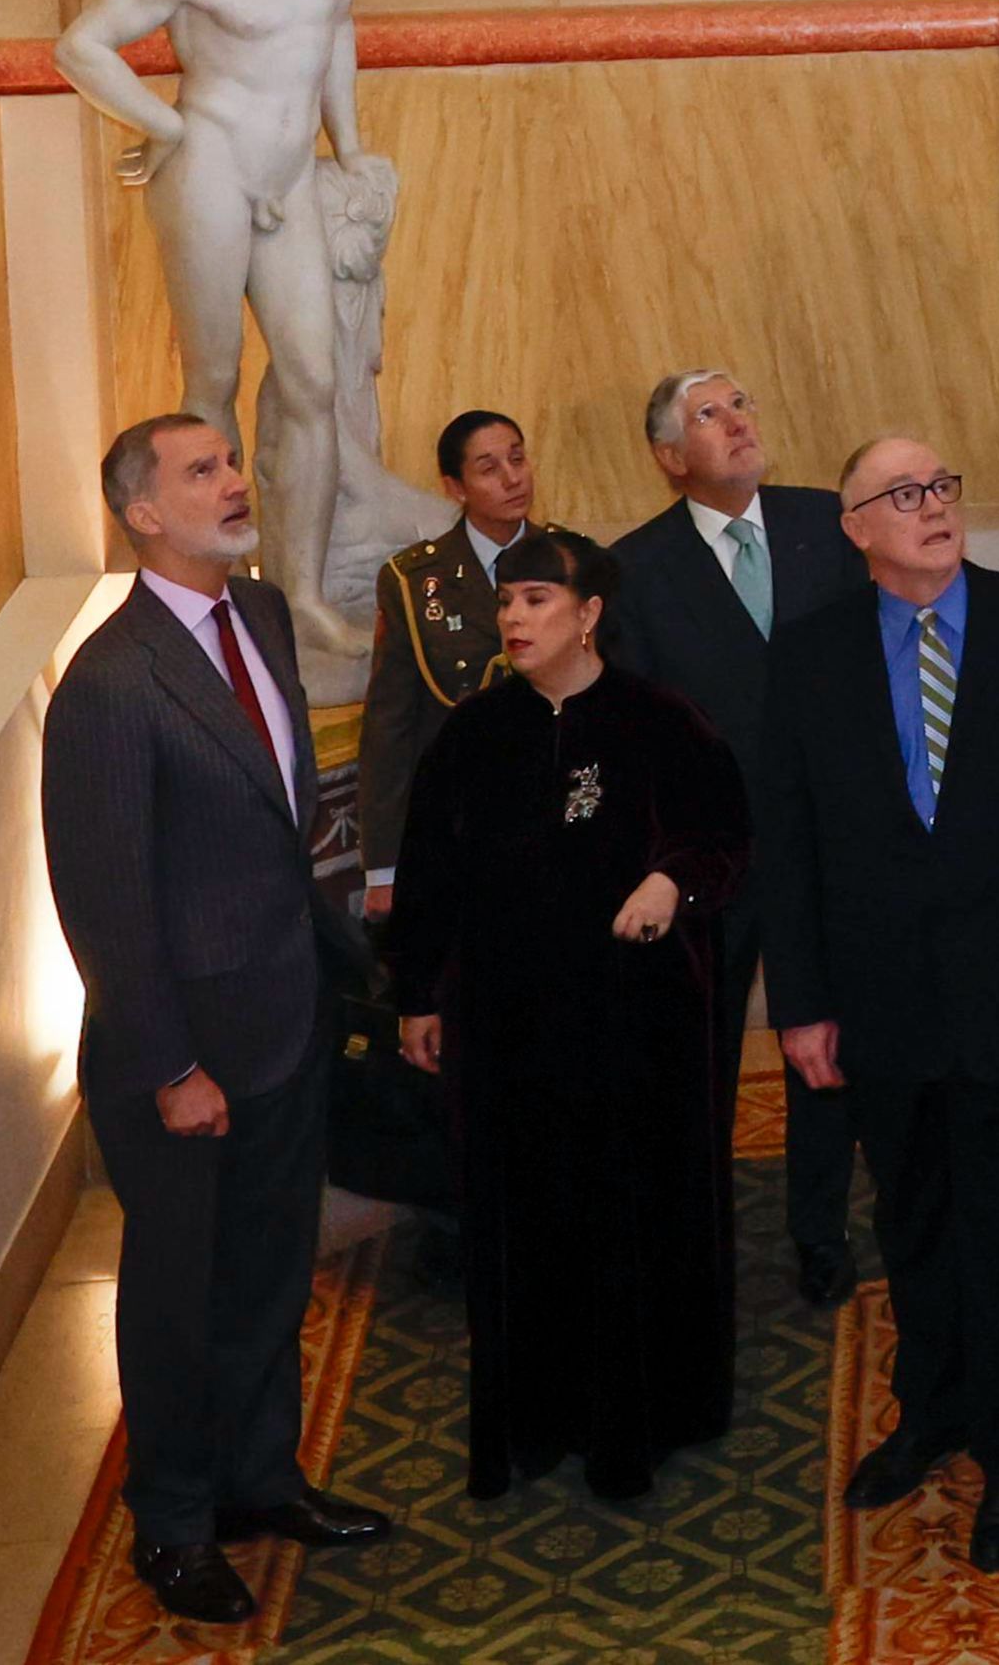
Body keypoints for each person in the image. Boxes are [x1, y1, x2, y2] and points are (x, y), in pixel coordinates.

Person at [748, 436, 999, 1566]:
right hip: (874, 999)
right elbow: (787, 839)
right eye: (902, 493)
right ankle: (931, 1410)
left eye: (940, 485)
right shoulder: (811, 653)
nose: (931, 505)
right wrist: (803, 1002)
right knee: (910, 1211)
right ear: (856, 528)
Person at [40, 415, 400, 1627]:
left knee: (268, 1268)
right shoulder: (109, 682)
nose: (235, 479)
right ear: (141, 512)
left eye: (233, 459)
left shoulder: (263, 618)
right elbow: (102, 896)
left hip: (286, 1020)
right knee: (179, 1296)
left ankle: (260, 1477)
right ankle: (177, 1520)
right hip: (183, 1058)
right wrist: (168, 1062)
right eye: (201, 470)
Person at [390, 539, 748, 1501]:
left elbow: (723, 838)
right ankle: (533, 1418)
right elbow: (427, 878)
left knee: (634, 1211)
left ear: (588, 614)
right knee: (524, 1218)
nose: (514, 619)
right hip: (508, 1031)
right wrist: (417, 995)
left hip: (638, 1025)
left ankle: (647, 1413)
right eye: (507, 601)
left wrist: (672, 879)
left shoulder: (661, 724)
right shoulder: (470, 738)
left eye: (537, 599)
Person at [52, 0, 379, 690]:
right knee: (214, 383)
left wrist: (345, 145)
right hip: (211, 172)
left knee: (313, 376)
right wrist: (166, 130)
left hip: (286, 175)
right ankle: (219, 587)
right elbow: (80, 45)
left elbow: (335, 27)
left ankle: (301, 591)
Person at [605, 368, 870, 1301]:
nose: (737, 422)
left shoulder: (826, 522)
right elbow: (631, 728)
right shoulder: (633, 568)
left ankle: (819, 1231)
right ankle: (694, 1244)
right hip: (711, 858)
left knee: (822, 1049)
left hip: (829, 846)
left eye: (742, 403)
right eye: (709, 415)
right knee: (702, 1058)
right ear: (671, 458)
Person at [358, 408, 601, 909]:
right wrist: (382, 868)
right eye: (490, 468)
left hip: (563, 812)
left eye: (518, 458)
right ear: (455, 486)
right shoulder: (413, 581)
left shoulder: (576, 562)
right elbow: (390, 727)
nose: (513, 478)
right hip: (461, 823)